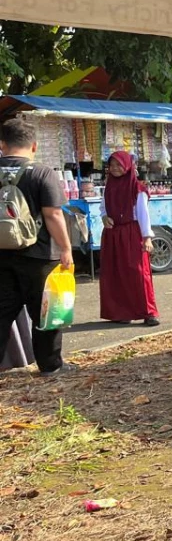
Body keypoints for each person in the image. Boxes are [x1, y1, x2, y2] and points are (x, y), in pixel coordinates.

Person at [0, 118, 74, 376]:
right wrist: (66, 248)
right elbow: (53, 214)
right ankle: (50, 365)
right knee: (45, 313)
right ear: (34, 146)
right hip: (40, 256)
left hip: (1, 257)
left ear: (2, 144)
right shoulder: (42, 172)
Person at [99, 151, 160, 327]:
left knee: (139, 273)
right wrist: (104, 217)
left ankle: (148, 312)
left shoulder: (137, 188)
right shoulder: (108, 186)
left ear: (127, 166)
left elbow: (143, 214)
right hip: (113, 234)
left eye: (119, 165)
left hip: (132, 232)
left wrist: (147, 237)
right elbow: (103, 206)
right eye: (112, 165)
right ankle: (122, 312)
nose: (115, 169)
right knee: (116, 273)